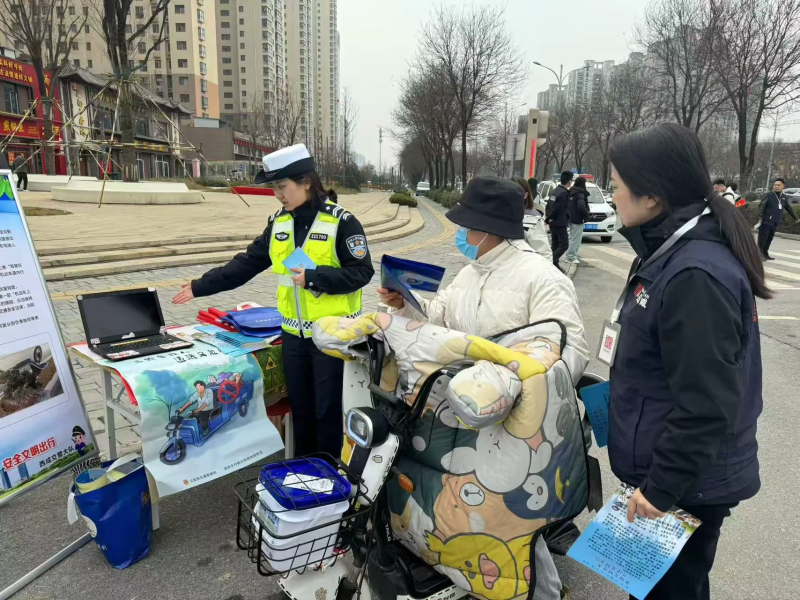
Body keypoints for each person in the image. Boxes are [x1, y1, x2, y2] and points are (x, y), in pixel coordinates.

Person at [378, 176, 590, 600]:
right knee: (460, 504)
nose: (461, 233)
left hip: (511, 422)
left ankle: (542, 592)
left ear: (487, 228)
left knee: (509, 519)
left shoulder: (541, 278)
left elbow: (570, 351)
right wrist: (407, 303)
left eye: (466, 225)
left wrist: (514, 386)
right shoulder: (470, 273)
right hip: (460, 410)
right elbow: (443, 317)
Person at [607, 123, 766, 600]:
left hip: (684, 485)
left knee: (669, 593)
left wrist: (660, 490)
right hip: (672, 473)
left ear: (653, 196)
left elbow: (707, 403)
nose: (612, 197)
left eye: (616, 186)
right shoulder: (665, 251)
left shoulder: (694, 273)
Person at [173, 144, 374, 458]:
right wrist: (200, 286)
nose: (278, 195)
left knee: (328, 412)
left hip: (332, 337)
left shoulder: (342, 222)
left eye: (282, 186)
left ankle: (330, 473)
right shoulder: (279, 223)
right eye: (274, 188)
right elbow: (246, 264)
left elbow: (362, 272)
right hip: (293, 337)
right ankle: (303, 470)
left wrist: (315, 277)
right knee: (301, 410)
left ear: (306, 182)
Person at [758, 177, 799, 260]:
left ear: (783, 186)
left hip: (775, 221)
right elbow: (761, 207)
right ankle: (758, 255)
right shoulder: (768, 195)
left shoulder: (783, 196)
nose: (776, 186)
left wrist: (796, 218)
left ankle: (765, 253)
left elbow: (788, 208)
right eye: (775, 185)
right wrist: (760, 218)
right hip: (766, 221)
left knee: (769, 239)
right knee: (762, 239)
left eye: (778, 185)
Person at [514, 176, 552, 260]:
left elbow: (544, 253)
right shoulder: (498, 214)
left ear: (525, 195)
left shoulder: (532, 220)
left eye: (515, 192)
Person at [546, 171, 572, 271]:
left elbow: (548, 205)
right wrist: (549, 218)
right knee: (564, 244)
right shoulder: (564, 193)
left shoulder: (555, 191)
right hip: (560, 222)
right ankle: (553, 260)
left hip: (553, 222)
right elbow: (558, 209)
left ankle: (553, 266)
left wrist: (549, 218)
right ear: (569, 182)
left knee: (555, 243)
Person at [566, 176, 590, 264]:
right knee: (576, 240)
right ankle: (571, 257)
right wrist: (587, 215)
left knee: (572, 238)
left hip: (570, 218)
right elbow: (581, 206)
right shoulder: (580, 193)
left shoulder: (571, 192)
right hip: (578, 219)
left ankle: (570, 255)